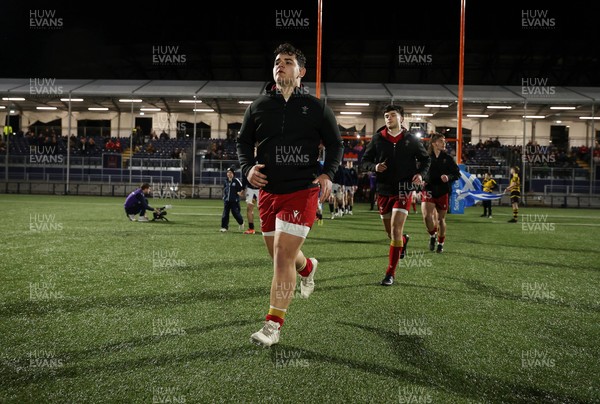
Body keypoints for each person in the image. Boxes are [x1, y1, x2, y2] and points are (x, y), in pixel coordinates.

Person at [237, 43, 343, 347]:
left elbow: (336, 145)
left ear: (301, 72)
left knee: (281, 257)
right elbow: (243, 143)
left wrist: (327, 174)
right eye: (277, 62)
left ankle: (272, 325)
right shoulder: (258, 106)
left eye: (288, 61)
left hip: (302, 189)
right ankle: (308, 268)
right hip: (268, 191)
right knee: (277, 253)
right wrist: (247, 168)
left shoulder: (317, 107)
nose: (280, 65)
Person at [361, 104, 430, 286]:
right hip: (383, 189)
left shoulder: (411, 140)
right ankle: (403, 240)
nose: (388, 118)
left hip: (404, 189)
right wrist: (374, 167)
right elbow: (365, 161)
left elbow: (425, 160)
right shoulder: (377, 139)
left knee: (395, 229)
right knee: (391, 233)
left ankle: (390, 273)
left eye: (392, 115)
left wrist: (421, 174)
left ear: (401, 119)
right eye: (386, 116)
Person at [421, 133, 460, 254]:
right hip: (429, 189)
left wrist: (448, 177)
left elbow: (457, 174)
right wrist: (420, 179)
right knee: (427, 217)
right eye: (442, 141)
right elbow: (418, 171)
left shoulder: (448, 158)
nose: (444, 143)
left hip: (443, 191)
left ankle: (441, 243)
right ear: (434, 143)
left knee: (440, 220)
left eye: (445, 141)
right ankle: (432, 235)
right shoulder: (425, 157)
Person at [220, 167, 244, 232]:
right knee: (225, 214)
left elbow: (241, 188)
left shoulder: (236, 181)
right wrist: (224, 196)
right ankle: (224, 227)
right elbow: (225, 189)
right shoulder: (225, 181)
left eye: (230, 172)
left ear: (233, 173)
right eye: (228, 172)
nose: (229, 174)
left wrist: (240, 193)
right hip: (226, 201)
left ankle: (241, 222)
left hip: (234, 201)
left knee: (235, 213)